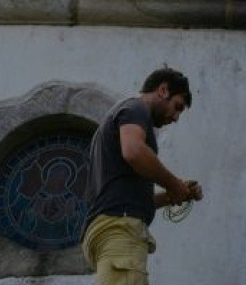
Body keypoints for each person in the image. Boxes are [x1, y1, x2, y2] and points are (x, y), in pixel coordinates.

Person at [82, 67, 202, 284]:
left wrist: (176, 193)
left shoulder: (124, 117)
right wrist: (173, 184)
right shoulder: (136, 108)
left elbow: (130, 199)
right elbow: (134, 151)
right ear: (163, 90)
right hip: (121, 231)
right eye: (177, 107)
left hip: (113, 229)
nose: (175, 118)